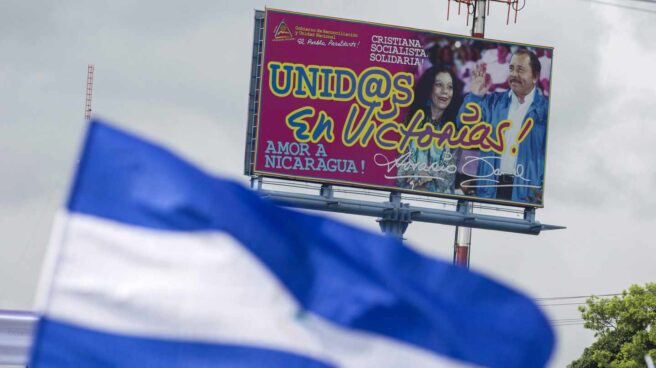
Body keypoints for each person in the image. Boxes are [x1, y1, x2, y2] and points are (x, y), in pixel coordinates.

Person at [458, 49, 548, 205]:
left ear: (535, 76)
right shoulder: (492, 102)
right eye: (511, 69)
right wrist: (475, 96)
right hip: (489, 190)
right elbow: (465, 128)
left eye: (520, 70)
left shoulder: (545, 111)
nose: (514, 74)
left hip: (525, 195)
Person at [397, 66, 462, 193]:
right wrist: (418, 175)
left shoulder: (454, 130)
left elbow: (449, 176)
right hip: (407, 195)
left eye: (450, 87)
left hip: (441, 201)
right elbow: (399, 168)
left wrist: (427, 174)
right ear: (429, 87)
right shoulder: (409, 122)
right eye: (439, 85)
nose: (445, 91)